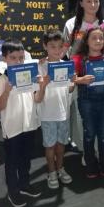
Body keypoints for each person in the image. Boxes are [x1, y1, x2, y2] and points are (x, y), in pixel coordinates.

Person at [62, 0, 104, 153]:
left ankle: (97, 151)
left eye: (96, 1)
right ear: (81, 3)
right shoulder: (71, 24)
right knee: (81, 115)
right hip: (79, 75)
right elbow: (63, 50)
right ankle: (87, 152)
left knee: (102, 117)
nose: (93, 4)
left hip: (102, 76)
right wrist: (49, 61)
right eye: (89, 1)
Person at [0, 39, 45, 207]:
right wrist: (7, 91)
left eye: (21, 58)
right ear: (4, 58)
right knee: (12, 161)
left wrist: (42, 86)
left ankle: (24, 184)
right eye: (13, 58)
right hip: (12, 128)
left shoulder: (30, 76)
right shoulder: (1, 81)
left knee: (26, 158)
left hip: (29, 125)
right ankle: (13, 191)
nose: (18, 61)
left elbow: (37, 99)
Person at [72, 27, 104, 178]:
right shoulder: (77, 59)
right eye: (94, 38)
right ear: (86, 41)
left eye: (101, 38)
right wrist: (80, 80)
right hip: (86, 101)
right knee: (89, 133)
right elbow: (69, 80)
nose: (98, 41)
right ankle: (91, 166)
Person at [37, 30, 74, 189]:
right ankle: (51, 172)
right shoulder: (40, 66)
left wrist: (73, 82)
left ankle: (60, 168)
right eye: (53, 46)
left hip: (63, 113)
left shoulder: (66, 65)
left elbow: (70, 89)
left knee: (61, 145)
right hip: (48, 115)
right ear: (45, 46)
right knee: (49, 146)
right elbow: (38, 92)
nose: (57, 50)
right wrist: (44, 82)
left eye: (60, 47)